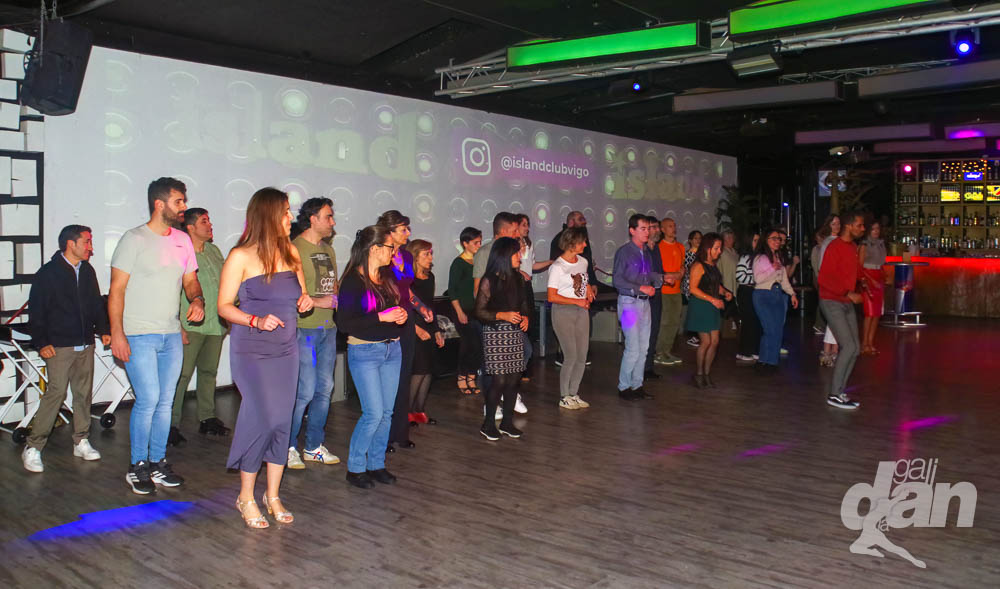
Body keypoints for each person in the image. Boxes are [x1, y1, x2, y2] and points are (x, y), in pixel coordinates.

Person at [217, 187, 313, 528]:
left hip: (286, 349)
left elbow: (302, 295)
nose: (291, 217)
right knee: (261, 418)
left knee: (282, 421)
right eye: (285, 211)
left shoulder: (291, 251)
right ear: (269, 215)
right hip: (252, 349)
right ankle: (245, 496)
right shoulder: (240, 256)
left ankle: (272, 495)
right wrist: (255, 320)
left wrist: (305, 301)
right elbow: (223, 306)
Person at [110, 177, 205, 495]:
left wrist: (197, 300)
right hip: (138, 334)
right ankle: (136, 465)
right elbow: (116, 291)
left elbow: (190, 281)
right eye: (179, 201)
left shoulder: (182, 240)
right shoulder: (134, 239)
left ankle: (157, 463)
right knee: (149, 399)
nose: (184, 207)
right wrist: (117, 333)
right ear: (159, 204)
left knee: (165, 402)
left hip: (170, 334)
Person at [23, 225, 110, 473]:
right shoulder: (48, 273)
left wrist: (104, 329)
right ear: (71, 244)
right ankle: (33, 446)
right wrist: (42, 342)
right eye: (87, 242)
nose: (91, 247)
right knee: (56, 393)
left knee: (83, 393)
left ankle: (81, 440)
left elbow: (96, 304)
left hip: (85, 343)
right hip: (59, 345)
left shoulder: (88, 271)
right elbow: (36, 311)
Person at [339, 225, 408, 488]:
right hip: (365, 351)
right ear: (375, 248)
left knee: (386, 413)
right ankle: (355, 468)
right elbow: (345, 323)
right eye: (390, 247)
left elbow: (393, 309)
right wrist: (382, 317)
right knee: (373, 413)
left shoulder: (386, 276)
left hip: (392, 349)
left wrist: (399, 315)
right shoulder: (352, 281)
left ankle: (376, 464)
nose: (394, 252)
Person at [287, 197, 341, 470]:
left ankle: (313, 446)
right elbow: (293, 293)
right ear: (313, 219)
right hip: (304, 329)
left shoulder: (328, 250)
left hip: (327, 329)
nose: (332, 222)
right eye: (328, 216)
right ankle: (287, 447)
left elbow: (334, 289)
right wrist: (322, 302)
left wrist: (335, 300)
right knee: (304, 391)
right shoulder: (294, 249)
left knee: (325, 389)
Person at [170, 208, 229, 447]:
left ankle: (207, 417)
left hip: (215, 324)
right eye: (204, 221)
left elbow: (225, 283)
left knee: (209, 372)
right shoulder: (179, 253)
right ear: (191, 227)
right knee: (181, 375)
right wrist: (177, 325)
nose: (210, 225)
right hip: (190, 325)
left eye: (209, 220)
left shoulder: (214, 251)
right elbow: (172, 291)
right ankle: (170, 425)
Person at [378, 210, 434, 452]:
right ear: (389, 232)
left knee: (403, 377)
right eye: (403, 229)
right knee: (387, 380)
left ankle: (400, 432)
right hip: (387, 320)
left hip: (406, 320)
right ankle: (384, 436)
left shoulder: (407, 257)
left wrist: (421, 308)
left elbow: (407, 291)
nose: (408, 233)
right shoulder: (379, 254)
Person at [474, 237, 531, 440]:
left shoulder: (518, 278)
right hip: (495, 333)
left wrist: (525, 317)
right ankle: (488, 423)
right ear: (504, 255)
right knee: (499, 380)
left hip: (514, 333)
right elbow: (479, 311)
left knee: (514, 379)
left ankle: (507, 422)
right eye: (516, 253)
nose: (520, 257)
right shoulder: (489, 280)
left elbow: (523, 304)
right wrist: (502, 315)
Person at [612, 214, 663, 401]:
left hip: (644, 303)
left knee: (644, 347)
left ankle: (637, 385)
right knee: (633, 347)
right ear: (632, 231)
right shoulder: (624, 252)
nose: (647, 232)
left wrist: (661, 278)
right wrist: (640, 287)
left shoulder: (646, 252)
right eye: (643, 228)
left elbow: (647, 275)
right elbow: (617, 280)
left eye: (648, 228)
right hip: (628, 304)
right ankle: (624, 386)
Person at [819, 211, 866, 410]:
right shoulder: (834, 247)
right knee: (848, 346)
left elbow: (853, 272)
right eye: (860, 225)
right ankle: (834, 394)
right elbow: (824, 279)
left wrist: (865, 281)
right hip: (831, 301)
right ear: (849, 226)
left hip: (845, 301)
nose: (863, 229)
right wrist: (848, 292)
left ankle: (840, 392)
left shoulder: (852, 247)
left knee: (855, 348)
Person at [547, 227, 595, 410]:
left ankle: (574, 393)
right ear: (571, 243)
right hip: (563, 312)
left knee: (582, 355)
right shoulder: (557, 267)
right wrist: (576, 301)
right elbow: (552, 296)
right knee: (571, 355)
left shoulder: (583, 261)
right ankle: (564, 396)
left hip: (581, 311)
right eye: (582, 242)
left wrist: (588, 288)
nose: (585, 244)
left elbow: (582, 280)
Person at [550, 210, 597, 368]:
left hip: (580, 302)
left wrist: (590, 284)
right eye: (580, 219)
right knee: (569, 350)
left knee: (580, 350)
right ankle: (563, 355)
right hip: (564, 303)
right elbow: (559, 272)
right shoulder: (560, 243)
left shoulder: (583, 251)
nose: (584, 221)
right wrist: (576, 299)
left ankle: (580, 356)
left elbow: (584, 269)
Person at [686, 233, 732, 388]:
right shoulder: (698, 265)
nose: (719, 251)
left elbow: (714, 284)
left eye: (720, 248)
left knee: (715, 341)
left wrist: (724, 291)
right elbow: (693, 289)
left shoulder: (712, 265)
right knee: (706, 342)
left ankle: (706, 374)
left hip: (712, 305)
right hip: (701, 305)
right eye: (717, 248)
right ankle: (699, 374)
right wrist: (713, 300)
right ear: (708, 248)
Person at [407, 239, 445, 425]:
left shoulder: (430, 277)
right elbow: (406, 307)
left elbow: (430, 306)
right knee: (418, 370)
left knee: (428, 369)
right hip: (412, 327)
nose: (430, 258)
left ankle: (419, 410)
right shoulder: (407, 280)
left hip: (428, 326)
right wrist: (417, 329)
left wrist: (436, 330)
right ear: (415, 257)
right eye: (426, 254)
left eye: (431, 254)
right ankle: (406, 412)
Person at [752, 229, 799, 372]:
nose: (777, 241)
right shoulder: (760, 258)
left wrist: (792, 294)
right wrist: (771, 268)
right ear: (766, 240)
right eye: (774, 238)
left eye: (778, 239)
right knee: (770, 329)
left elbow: (784, 280)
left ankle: (771, 362)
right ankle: (763, 361)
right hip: (763, 295)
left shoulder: (778, 257)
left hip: (777, 294)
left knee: (777, 330)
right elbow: (758, 279)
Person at [448, 226, 483, 395]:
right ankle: (461, 376)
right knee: (468, 344)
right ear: (465, 243)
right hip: (462, 310)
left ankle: (472, 376)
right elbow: (452, 290)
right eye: (476, 242)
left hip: (477, 310)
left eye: (480, 242)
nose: (479, 245)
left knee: (478, 345)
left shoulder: (478, 261)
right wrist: (459, 311)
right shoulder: (458, 263)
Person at [653, 217, 684, 366]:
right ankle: (659, 353)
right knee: (664, 322)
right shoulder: (658, 247)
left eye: (674, 225)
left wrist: (679, 274)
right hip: (664, 290)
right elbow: (659, 271)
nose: (674, 228)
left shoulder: (680, 247)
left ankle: (667, 351)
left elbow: (682, 268)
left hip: (676, 291)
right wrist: (673, 275)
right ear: (663, 229)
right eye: (670, 226)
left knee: (674, 322)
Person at [859, 220, 886, 355]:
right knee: (869, 313)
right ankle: (864, 344)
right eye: (873, 229)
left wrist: (883, 276)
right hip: (868, 278)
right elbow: (859, 266)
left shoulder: (881, 244)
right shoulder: (864, 245)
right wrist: (870, 280)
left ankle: (870, 343)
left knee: (876, 314)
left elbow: (881, 264)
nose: (876, 231)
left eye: (878, 229)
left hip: (879, 277)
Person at [810, 215, 841, 335]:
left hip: (830, 280)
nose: (837, 226)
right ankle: (820, 325)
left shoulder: (833, 242)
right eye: (833, 224)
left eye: (838, 223)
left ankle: (824, 327)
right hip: (822, 279)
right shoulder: (820, 247)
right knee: (825, 304)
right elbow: (817, 266)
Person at [735, 233, 761, 363]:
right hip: (746, 291)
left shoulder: (758, 257)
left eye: (758, 240)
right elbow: (739, 276)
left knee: (755, 321)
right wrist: (756, 280)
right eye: (755, 240)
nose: (758, 243)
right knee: (748, 321)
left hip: (754, 291)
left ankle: (753, 350)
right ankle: (744, 352)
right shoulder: (745, 257)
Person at [643, 215, 663, 379]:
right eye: (654, 227)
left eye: (658, 227)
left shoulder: (656, 248)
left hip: (656, 295)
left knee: (654, 330)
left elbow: (658, 272)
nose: (658, 230)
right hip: (644, 296)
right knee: (644, 333)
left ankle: (648, 367)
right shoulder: (642, 250)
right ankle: (641, 368)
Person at [681, 230, 703, 348]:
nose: (698, 240)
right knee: (694, 311)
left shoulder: (702, 254)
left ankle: (698, 336)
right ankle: (693, 336)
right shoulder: (688, 254)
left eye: (700, 238)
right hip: (691, 286)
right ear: (690, 240)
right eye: (695, 238)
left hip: (701, 286)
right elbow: (689, 270)